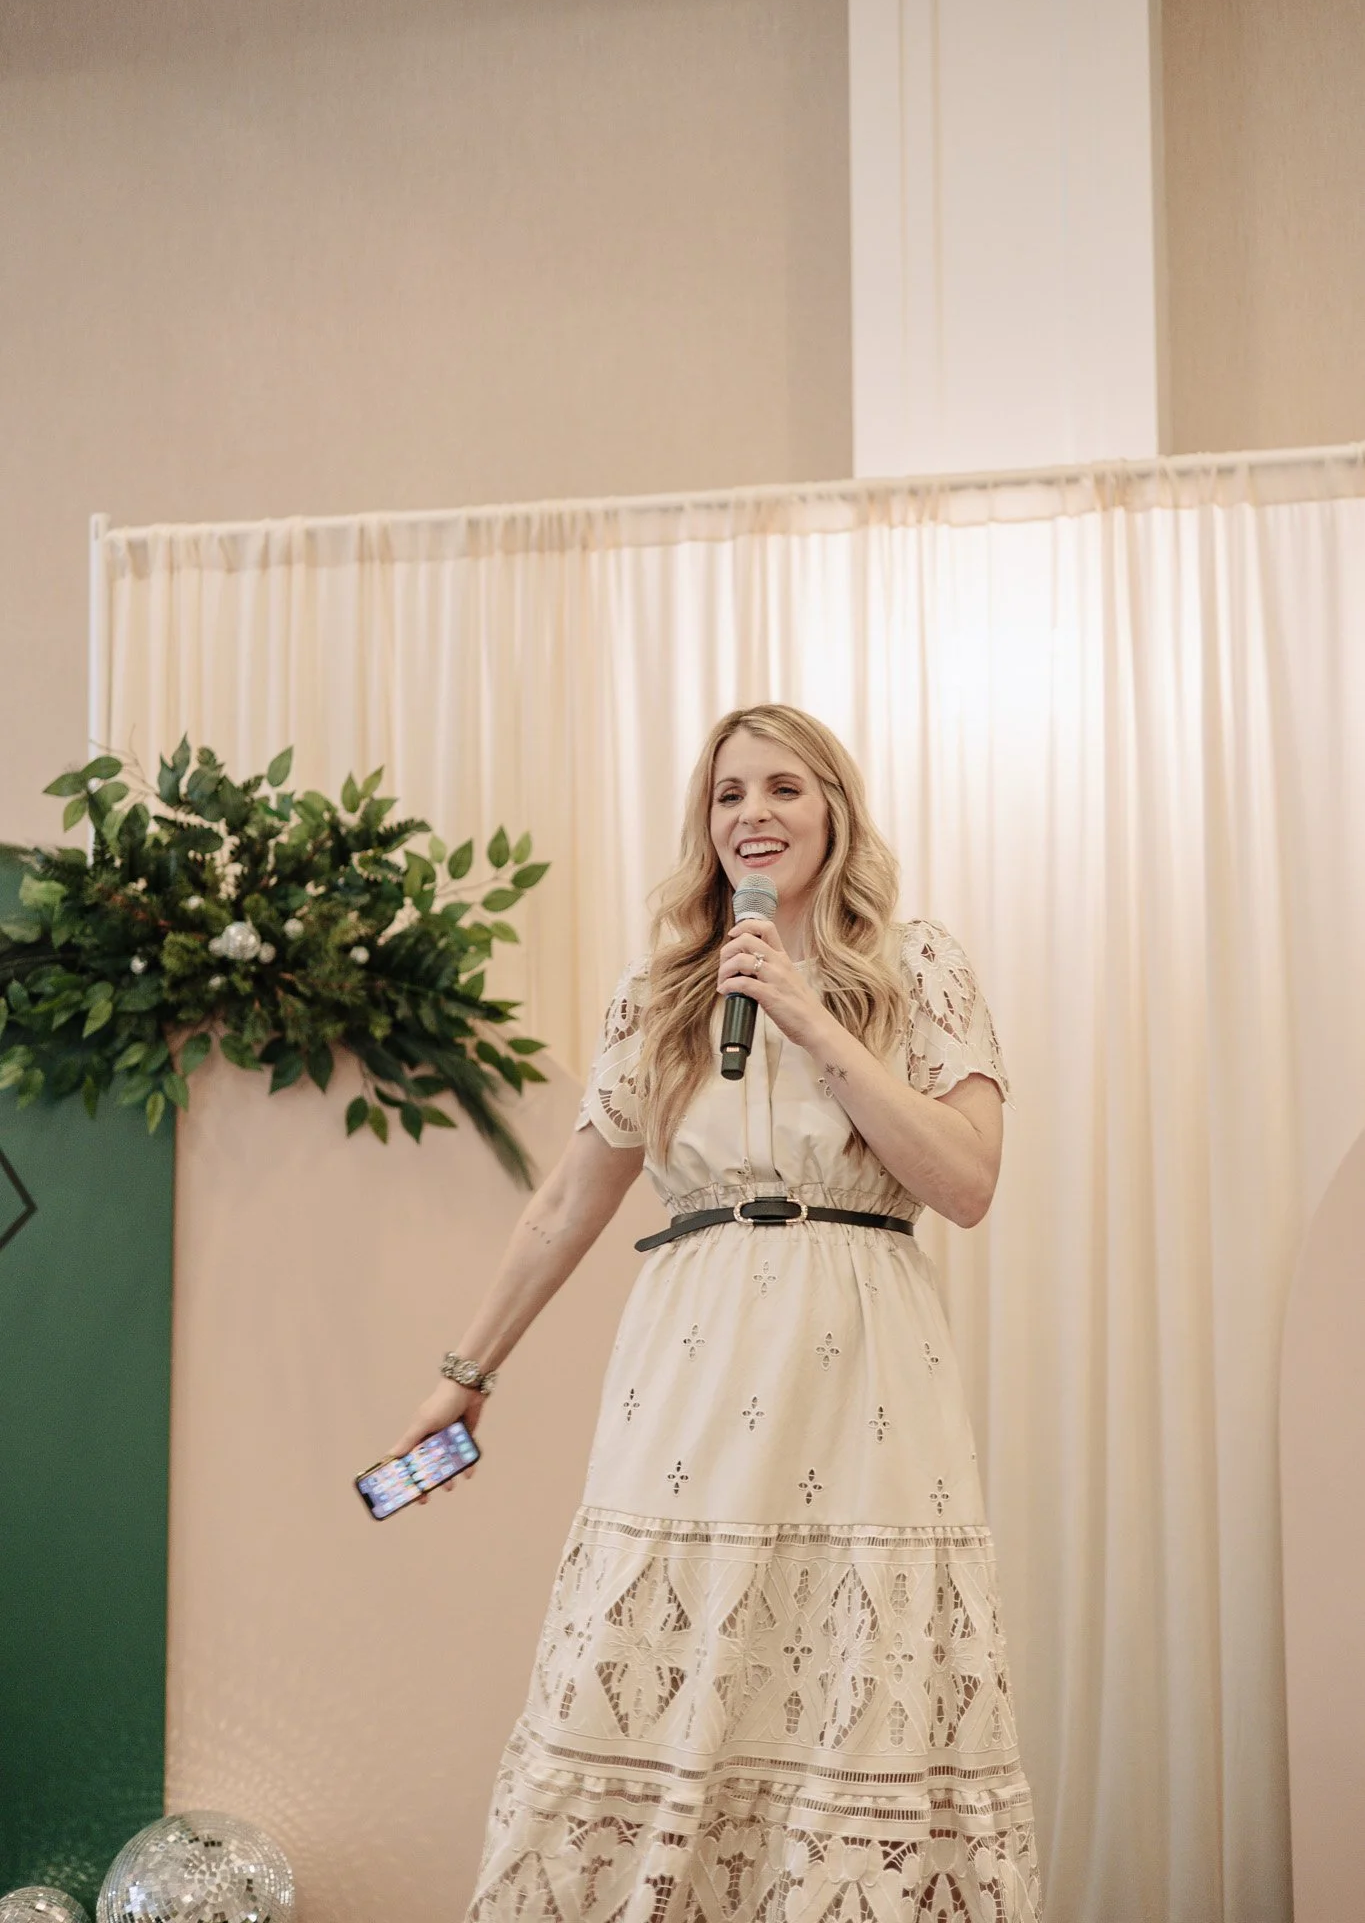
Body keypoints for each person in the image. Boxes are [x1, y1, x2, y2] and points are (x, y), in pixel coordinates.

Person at [392, 702, 1042, 1922]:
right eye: (730, 792)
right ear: (707, 825)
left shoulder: (919, 965)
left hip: (865, 1368)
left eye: (785, 787)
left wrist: (810, 1016)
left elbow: (966, 1178)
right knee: (648, 1678)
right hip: (687, 1369)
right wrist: (464, 1370)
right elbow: (564, 1206)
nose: (755, 813)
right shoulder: (660, 996)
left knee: (853, 1695)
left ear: (835, 811)